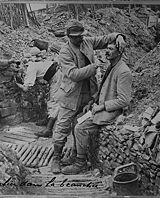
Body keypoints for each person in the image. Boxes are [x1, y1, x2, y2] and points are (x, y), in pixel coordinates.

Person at [51, 19, 127, 174]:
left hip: (88, 94)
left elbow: (107, 39)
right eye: (75, 37)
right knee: (63, 126)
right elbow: (73, 74)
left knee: (78, 124)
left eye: (80, 36)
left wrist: (119, 36)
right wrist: (93, 67)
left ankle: (76, 155)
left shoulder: (87, 42)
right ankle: (56, 158)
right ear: (68, 36)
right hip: (71, 95)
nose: (79, 39)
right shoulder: (65, 51)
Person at [15, 60, 63, 138]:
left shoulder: (30, 69)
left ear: (23, 66)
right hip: (53, 74)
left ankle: (48, 129)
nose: (20, 72)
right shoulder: (30, 65)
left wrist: (17, 84)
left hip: (56, 76)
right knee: (50, 98)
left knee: (54, 101)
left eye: (19, 69)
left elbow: (26, 89)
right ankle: (47, 119)